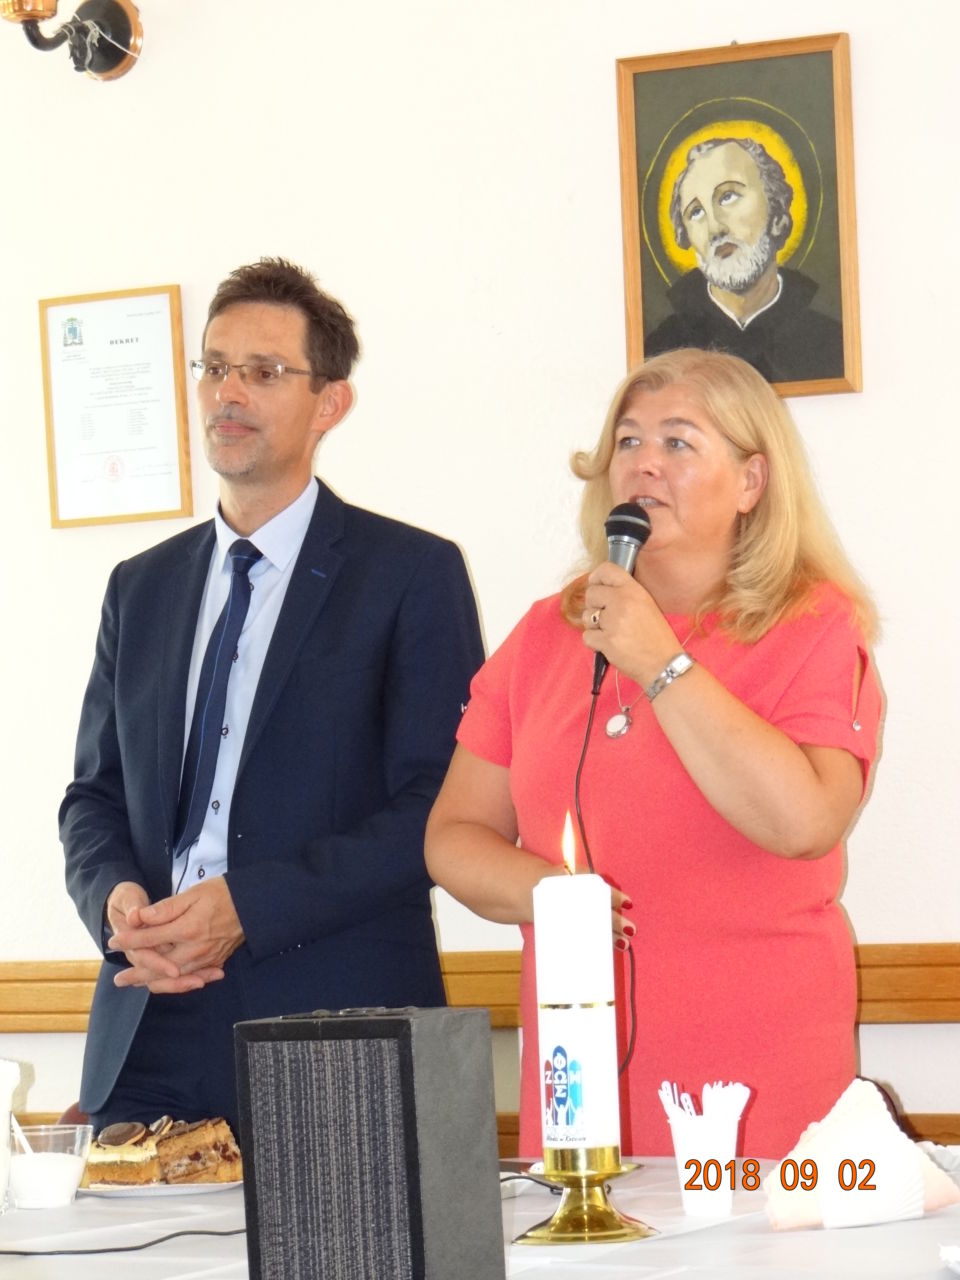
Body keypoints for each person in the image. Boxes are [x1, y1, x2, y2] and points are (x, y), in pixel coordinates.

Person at [60, 257, 484, 1135]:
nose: (229, 393)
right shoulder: (139, 588)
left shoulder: (409, 574)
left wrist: (246, 908)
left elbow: (441, 808)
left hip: (334, 1021)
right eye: (215, 367)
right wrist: (116, 903)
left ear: (330, 403)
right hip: (147, 1019)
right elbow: (93, 797)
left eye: (263, 371)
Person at [425, 347, 881, 1159]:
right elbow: (454, 836)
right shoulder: (547, 632)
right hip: (581, 1066)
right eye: (628, 441)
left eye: (678, 443)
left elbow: (805, 822)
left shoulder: (813, 624)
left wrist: (659, 662)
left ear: (751, 482)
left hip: (760, 1068)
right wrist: (547, 892)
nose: (644, 465)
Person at [643, 137, 844, 384]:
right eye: (695, 212)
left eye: (728, 196)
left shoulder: (830, 342)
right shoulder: (663, 350)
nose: (715, 228)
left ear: (776, 213)